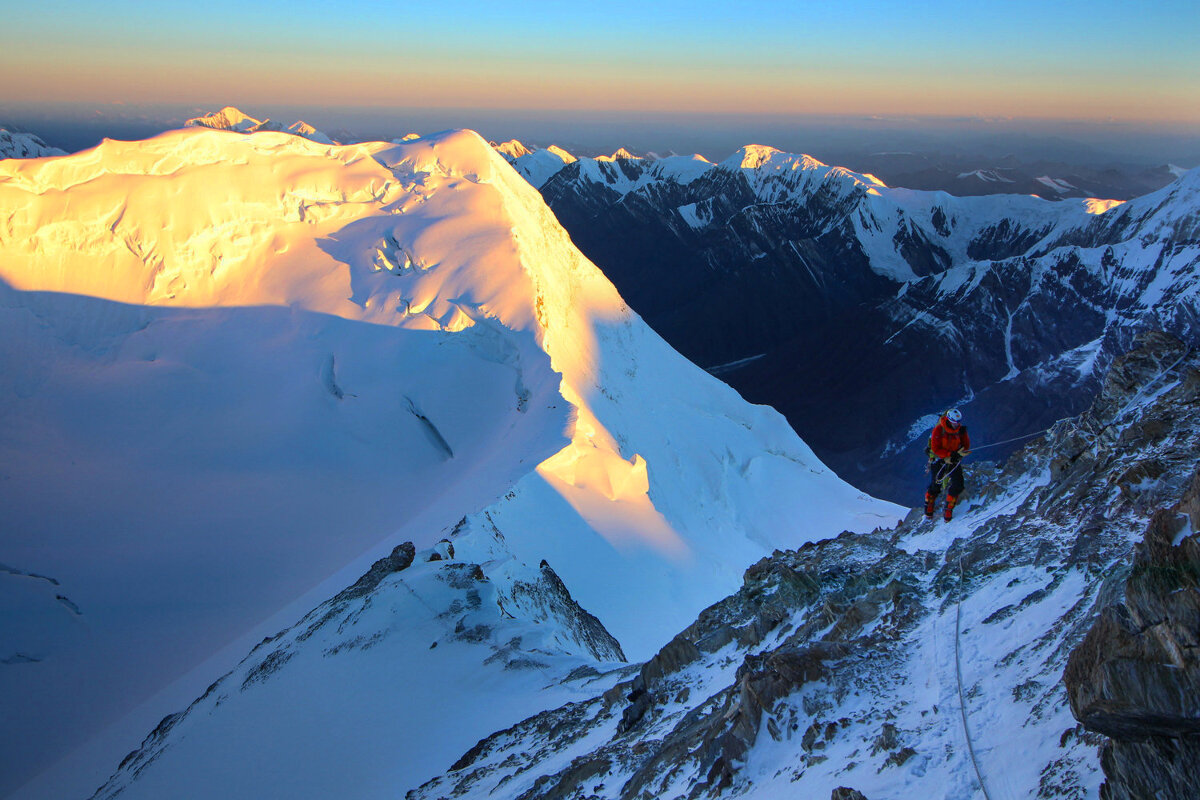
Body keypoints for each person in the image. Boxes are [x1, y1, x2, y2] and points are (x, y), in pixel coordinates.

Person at [925, 408, 970, 521]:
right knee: (936, 484)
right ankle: (929, 505)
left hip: (953, 460)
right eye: (954, 422)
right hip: (940, 460)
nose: (956, 425)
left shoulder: (961, 431)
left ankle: (948, 508)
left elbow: (966, 444)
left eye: (957, 422)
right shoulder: (939, 430)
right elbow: (935, 449)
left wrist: (959, 453)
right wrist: (950, 454)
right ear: (949, 420)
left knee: (958, 484)